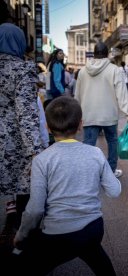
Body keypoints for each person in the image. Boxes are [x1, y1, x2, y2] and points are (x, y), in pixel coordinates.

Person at [12, 97, 120, 276]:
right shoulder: (95, 153)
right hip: (93, 229)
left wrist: (21, 235)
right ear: (80, 125)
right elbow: (115, 191)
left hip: (58, 236)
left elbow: (35, 210)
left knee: (28, 265)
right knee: (91, 251)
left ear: (47, 127)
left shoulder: (41, 160)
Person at [0, 23, 42, 232]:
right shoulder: (21, 69)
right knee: (25, 188)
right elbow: (26, 114)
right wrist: (36, 151)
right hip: (14, 145)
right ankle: (20, 238)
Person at [75, 42, 128, 178]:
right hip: (109, 114)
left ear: (94, 54)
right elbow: (122, 93)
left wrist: (77, 115)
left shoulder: (83, 71)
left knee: (89, 144)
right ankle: (111, 170)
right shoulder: (114, 70)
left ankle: (88, 172)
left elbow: (77, 95)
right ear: (107, 53)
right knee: (112, 142)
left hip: (88, 114)